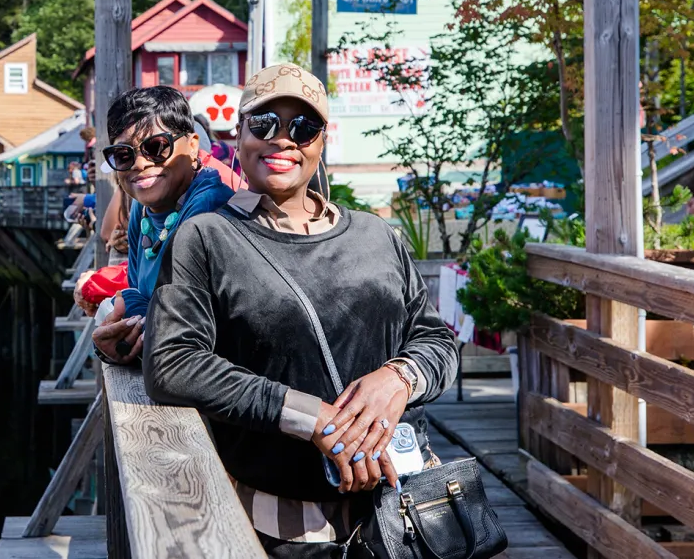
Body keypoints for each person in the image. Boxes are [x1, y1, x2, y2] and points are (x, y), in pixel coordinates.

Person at [146, 63, 459, 557]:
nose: (283, 140)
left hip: (402, 513)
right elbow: (173, 364)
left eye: (303, 127)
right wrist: (314, 419)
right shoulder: (206, 237)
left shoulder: (376, 235)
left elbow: (437, 340)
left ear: (321, 140)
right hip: (279, 526)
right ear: (239, 132)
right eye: (264, 124)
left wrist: (397, 379)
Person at [88, 86, 238, 365]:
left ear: (192, 146)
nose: (141, 164)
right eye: (123, 155)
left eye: (156, 148)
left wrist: (125, 308)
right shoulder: (142, 208)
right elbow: (142, 300)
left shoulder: (208, 209)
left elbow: (174, 327)